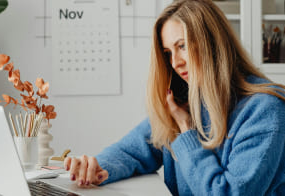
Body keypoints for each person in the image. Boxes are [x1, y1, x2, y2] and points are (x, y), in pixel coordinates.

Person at [64, 0, 285, 195]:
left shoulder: (265, 110)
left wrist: (185, 130)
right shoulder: (187, 101)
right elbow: (132, 151)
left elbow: (226, 192)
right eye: (168, 52)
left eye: (182, 46)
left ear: (213, 44)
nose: (175, 63)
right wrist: (94, 168)